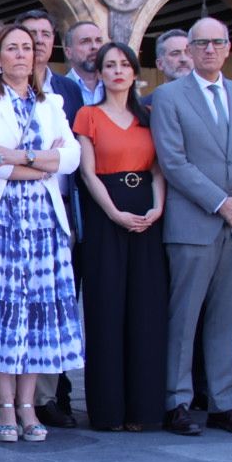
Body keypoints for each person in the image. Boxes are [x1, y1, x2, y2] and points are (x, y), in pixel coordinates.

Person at [150, 17, 232, 436]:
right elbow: (173, 160)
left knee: (227, 317)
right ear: (189, 50)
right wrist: (220, 202)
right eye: (199, 44)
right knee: (183, 318)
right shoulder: (168, 97)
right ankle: (177, 401)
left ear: (227, 47)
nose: (208, 50)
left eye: (216, 43)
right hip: (194, 223)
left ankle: (224, 403)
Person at [0, 24, 83, 443]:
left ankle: (29, 404)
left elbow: (71, 158)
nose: (21, 54)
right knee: (0, 312)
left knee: (36, 311)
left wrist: (23, 155)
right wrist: (42, 162)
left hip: (44, 220)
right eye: (11, 48)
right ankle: (4, 402)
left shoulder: (51, 102)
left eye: (27, 48)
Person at [72, 41, 167, 432]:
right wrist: (113, 211)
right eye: (109, 65)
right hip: (105, 214)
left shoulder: (150, 117)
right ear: (100, 72)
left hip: (147, 213)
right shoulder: (88, 115)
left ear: (134, 71)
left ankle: (143, 410)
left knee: (146, 312)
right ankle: (108, 410)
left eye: (124, 64)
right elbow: (87, 171)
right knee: (106, 310)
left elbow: (160, 169)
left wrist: (157, 208)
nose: (117, 71)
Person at [17, 8, 79, 426]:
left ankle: (48, 396)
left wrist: (46, 160)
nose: (37, 42)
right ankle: (15, 400)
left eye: (43, 34)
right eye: (28, 36)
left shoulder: (66, 93)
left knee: (52, 307)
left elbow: (73, 156)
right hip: (11, 210)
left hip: (58, 212)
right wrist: (47, 159)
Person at [144, 29, 193, 104]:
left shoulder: (209, 100)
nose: (183, 59)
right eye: (175, 53)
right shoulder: (145, 106)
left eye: (188, 52)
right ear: (160, 64)